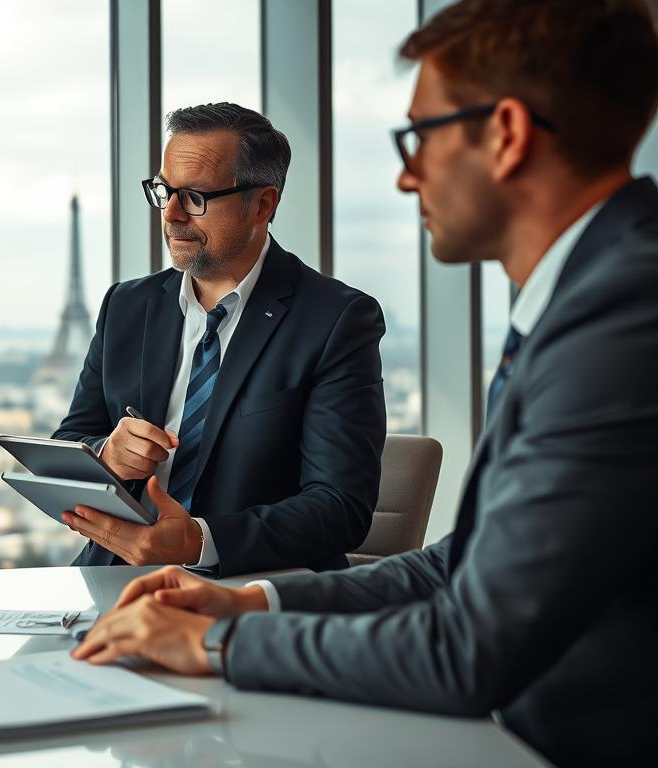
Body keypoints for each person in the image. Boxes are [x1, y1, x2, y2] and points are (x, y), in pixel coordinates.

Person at [71, 1, 658, 765]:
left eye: (420, 136)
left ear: (508, 135)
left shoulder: (624, 316)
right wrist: (252, 598)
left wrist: (219, 640)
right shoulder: (584, 295)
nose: (405, 174)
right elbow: (461, 563)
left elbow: (466, 648)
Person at [53, 102, 386, 576]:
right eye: (164, 191)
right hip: (113, 577)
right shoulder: (127, 306)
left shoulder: (337, 319)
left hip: (254, 590)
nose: (170, 214)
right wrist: (107, 453)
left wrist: (198, 542)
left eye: (194, 197)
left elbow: (339, 508)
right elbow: (68, 443)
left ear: (263, 204)